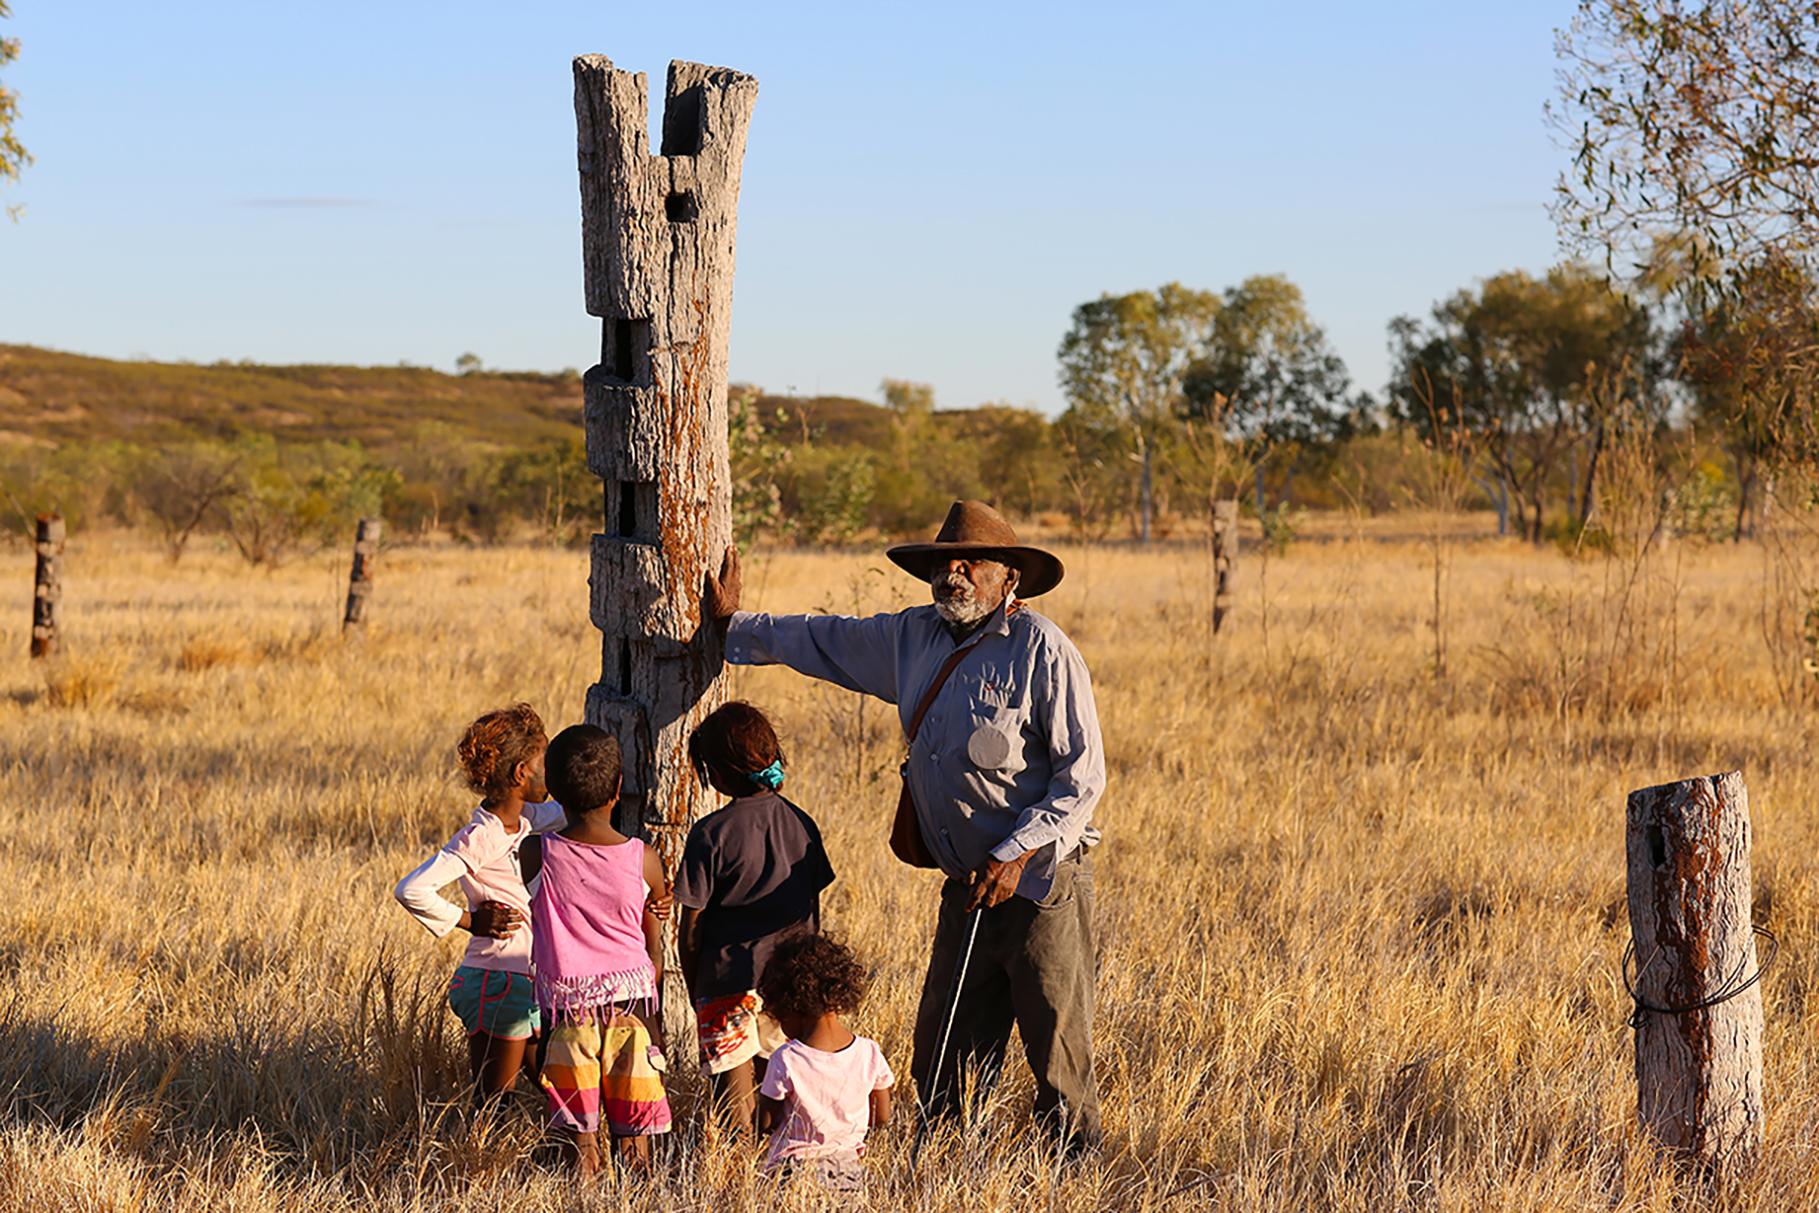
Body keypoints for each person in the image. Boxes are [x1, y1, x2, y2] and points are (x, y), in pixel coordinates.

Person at [705, 499, 1105, 1155]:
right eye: (943, 561)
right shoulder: (910, 637)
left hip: (1038, 886)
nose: (954, 572)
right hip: (967, 886)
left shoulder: (1041, 650)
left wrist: (1015, 853)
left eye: (971, 562)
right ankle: (945, 1168)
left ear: (1010, 578)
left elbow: (1082, 779)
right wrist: (732, 624)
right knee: (945, 1048)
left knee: (1057, 1049)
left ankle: (1076, 1173)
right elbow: (822, 638)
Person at [674, 701, 835, 1140]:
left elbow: (690, 929)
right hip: (790, 986)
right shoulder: (801, 824)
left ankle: (733, 1191)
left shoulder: (710, 834)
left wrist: (696, 987)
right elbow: (812, 914)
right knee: (784, 1101)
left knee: (733, 1112)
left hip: (726, 986)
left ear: (717, 775)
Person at [393, 703, 566, 1107]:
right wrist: (471, 921)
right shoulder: (479, 837)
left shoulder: (525, 819)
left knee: (556, 1092)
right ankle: (478, 1166)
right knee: (493, 1101)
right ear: (522, 773)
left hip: (524, 979)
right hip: (496, 978)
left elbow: (566, 813)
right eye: (546, 761)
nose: (551, 772)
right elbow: (411, 889)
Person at [531, 723, 672, 1175]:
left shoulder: (537, 855)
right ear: (619, 787)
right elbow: (653, 952)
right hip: (632, 1012)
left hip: (568, 1015)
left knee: (582, 1146)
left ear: (552, 790)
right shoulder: (643, 859)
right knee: (636, 1142)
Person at [755, 934, 893, 1191]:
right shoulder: (869, 1053)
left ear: (790, 1005)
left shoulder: (786, 1059)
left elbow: (765, 1122)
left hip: (791, 1173)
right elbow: (882, 1117)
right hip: (848, 1171)